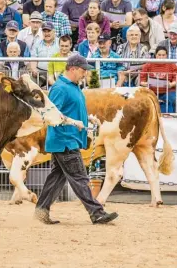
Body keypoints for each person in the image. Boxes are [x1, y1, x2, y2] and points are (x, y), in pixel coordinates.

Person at [35, 53, 118, 225]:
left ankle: (41, 210)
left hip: (65, 139)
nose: (85, 74)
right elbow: (52, 115)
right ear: (72, 69)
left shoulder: (72, 87)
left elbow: (70, 111)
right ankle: (96, 213)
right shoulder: (60, 88)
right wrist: (75, 122)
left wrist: (88, 118)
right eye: (82, 70)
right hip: (65, 140)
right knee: (80, 178)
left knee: (57, 177)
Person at [140, 46, 177, 113]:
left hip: (168, 90)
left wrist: (171, 84)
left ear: (166, 55)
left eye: (163, 55)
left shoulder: (172, 65)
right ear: (155, 55)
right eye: (159, 55)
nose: (161, 57)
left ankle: (172, 116)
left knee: (173, 99)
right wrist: (146, 84)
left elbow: (176, 79)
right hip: (152, 90)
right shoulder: (148, 65)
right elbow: (142, 80)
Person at [30, 21, 59, 86]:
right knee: (30, 85)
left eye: (48, 31)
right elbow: (33, 58)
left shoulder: (59, 43)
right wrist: (34, 69)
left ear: (54, 31)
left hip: (56, 73)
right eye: (44, 31)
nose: (46, 33)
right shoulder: (37, 43)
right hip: (40, 73)